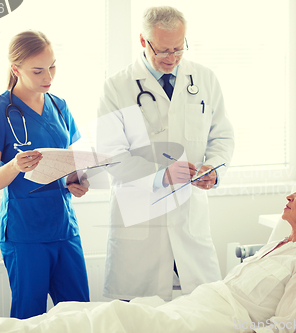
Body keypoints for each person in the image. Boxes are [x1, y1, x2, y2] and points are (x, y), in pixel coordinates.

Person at [0, 173, 296, 333]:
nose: (289, 193)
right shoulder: (279, 243)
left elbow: (286, 326)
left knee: (109, 318)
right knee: (79, 313)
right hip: (199, 305)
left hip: (217, 322)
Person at [97, 6, 235, 301]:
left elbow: (222, 135)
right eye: (163, 51)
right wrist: (161, 176)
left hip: (189, 217)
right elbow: (111, 154)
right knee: (137, 316)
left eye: (178, 48)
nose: (172, 58)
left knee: (203, 310)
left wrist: (213, 169)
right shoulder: (116, 87)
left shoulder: (204, 79)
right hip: (141, 222)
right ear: (143, 42)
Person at [0, 30, 90, 319]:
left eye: (52, 66)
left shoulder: (59, 106)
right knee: (29, 317)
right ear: (16, 69)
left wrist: (78, 181)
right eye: (38, 70)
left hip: (64, 228)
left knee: (80, 315)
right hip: (25, 233)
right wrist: (14, 165)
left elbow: (70, 162)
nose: (48, 75)